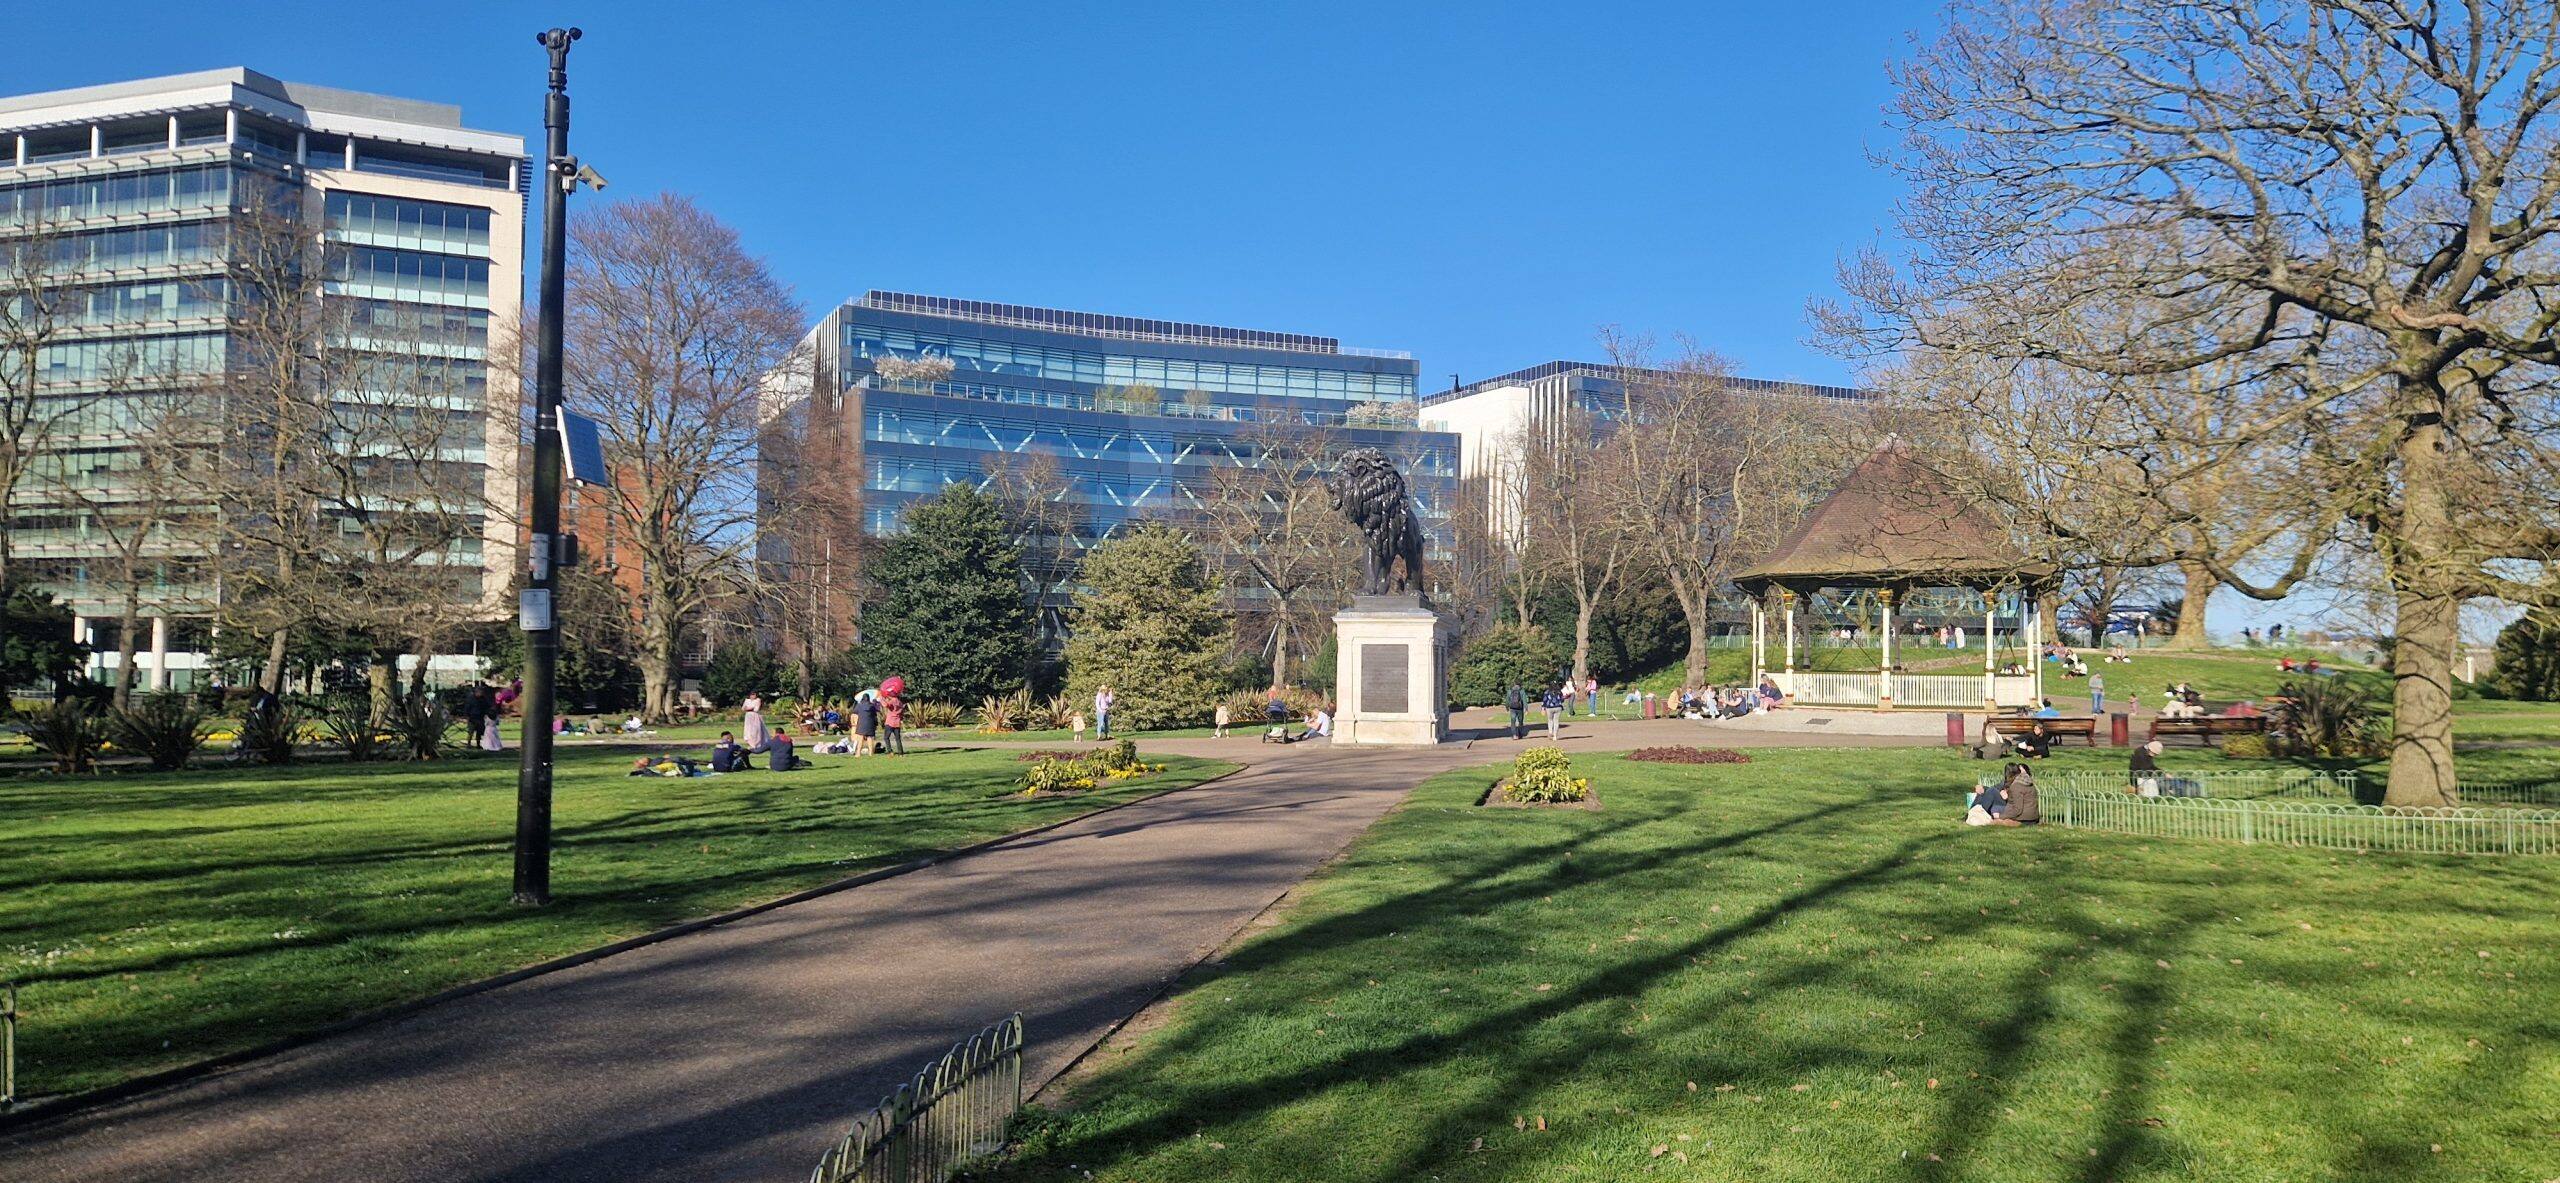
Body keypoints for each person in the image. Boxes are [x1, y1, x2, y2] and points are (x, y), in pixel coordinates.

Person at [879, 685, 906, 755]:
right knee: (898, 739)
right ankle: (901, 753)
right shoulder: (900, 703)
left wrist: (881, 699)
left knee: (886, 737)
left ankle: (890, 751)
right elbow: (902, 713)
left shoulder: (893, 701)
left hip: (890, 722)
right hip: (897, 723)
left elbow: (885, 705)